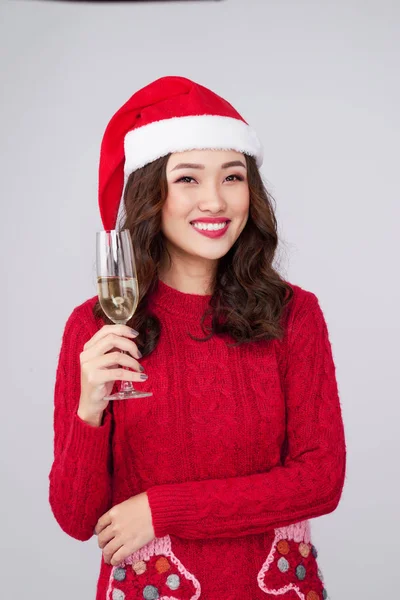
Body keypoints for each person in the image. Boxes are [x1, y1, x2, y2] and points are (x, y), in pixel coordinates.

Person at [49, 76, 346, 600]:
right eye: (188, 179)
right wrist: (89, 410)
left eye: (232, 177)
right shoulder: (94, 328)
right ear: (149, 194)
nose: (215, 200)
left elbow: (321, 479)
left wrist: (163, 511)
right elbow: (78, 519)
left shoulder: (295, 315)